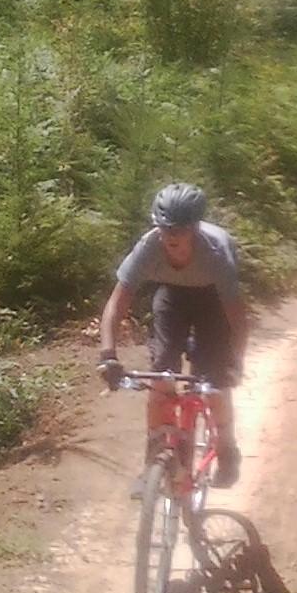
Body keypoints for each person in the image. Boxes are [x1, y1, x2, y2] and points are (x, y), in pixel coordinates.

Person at [98, 183, 248, 487]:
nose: (169, 236)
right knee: (161, 377)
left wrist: (235, 361)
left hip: (213, 301)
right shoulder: (149, 246)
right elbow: (116, 304)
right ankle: (153, 460)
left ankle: (227, 447)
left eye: (178, 230)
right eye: (164, 228)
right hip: (173, 296)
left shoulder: (215, 253)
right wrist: (108, 356)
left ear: (194, 228)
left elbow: (238, 320)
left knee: (214, 383)